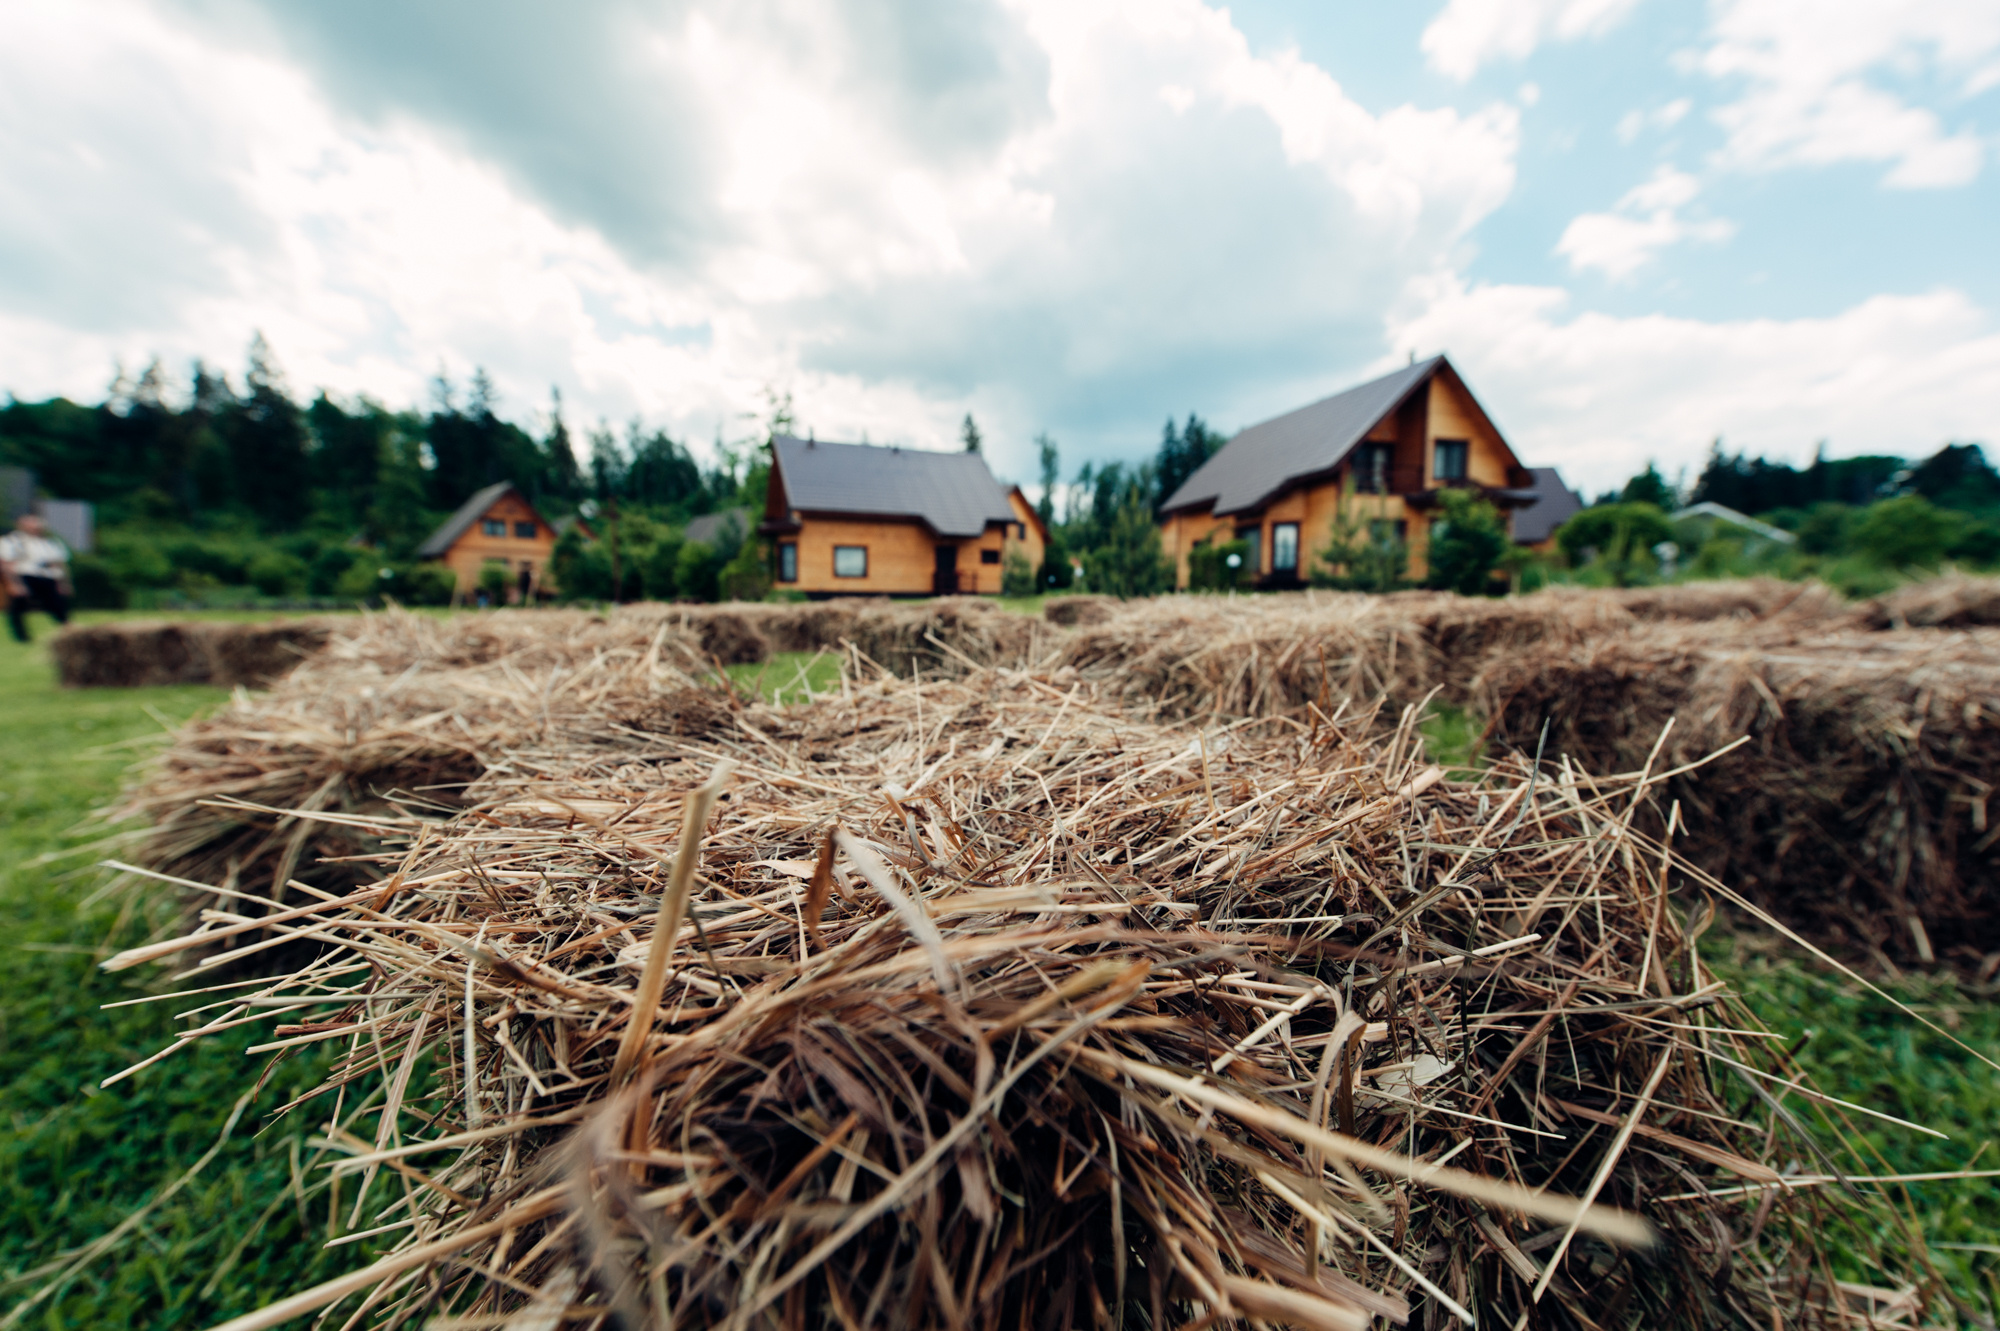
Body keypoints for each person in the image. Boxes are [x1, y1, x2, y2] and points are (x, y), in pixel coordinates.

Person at [2, 512, 72, 643]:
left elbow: (59, 564)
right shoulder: (12, 541)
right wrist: (14, 583)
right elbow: (6, 564)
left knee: (57, 604)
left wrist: (64, 583)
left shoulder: (50, 543)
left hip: (48, 577)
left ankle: (68, 630)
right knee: (18, 607)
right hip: (25, 576)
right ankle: (22, 637)